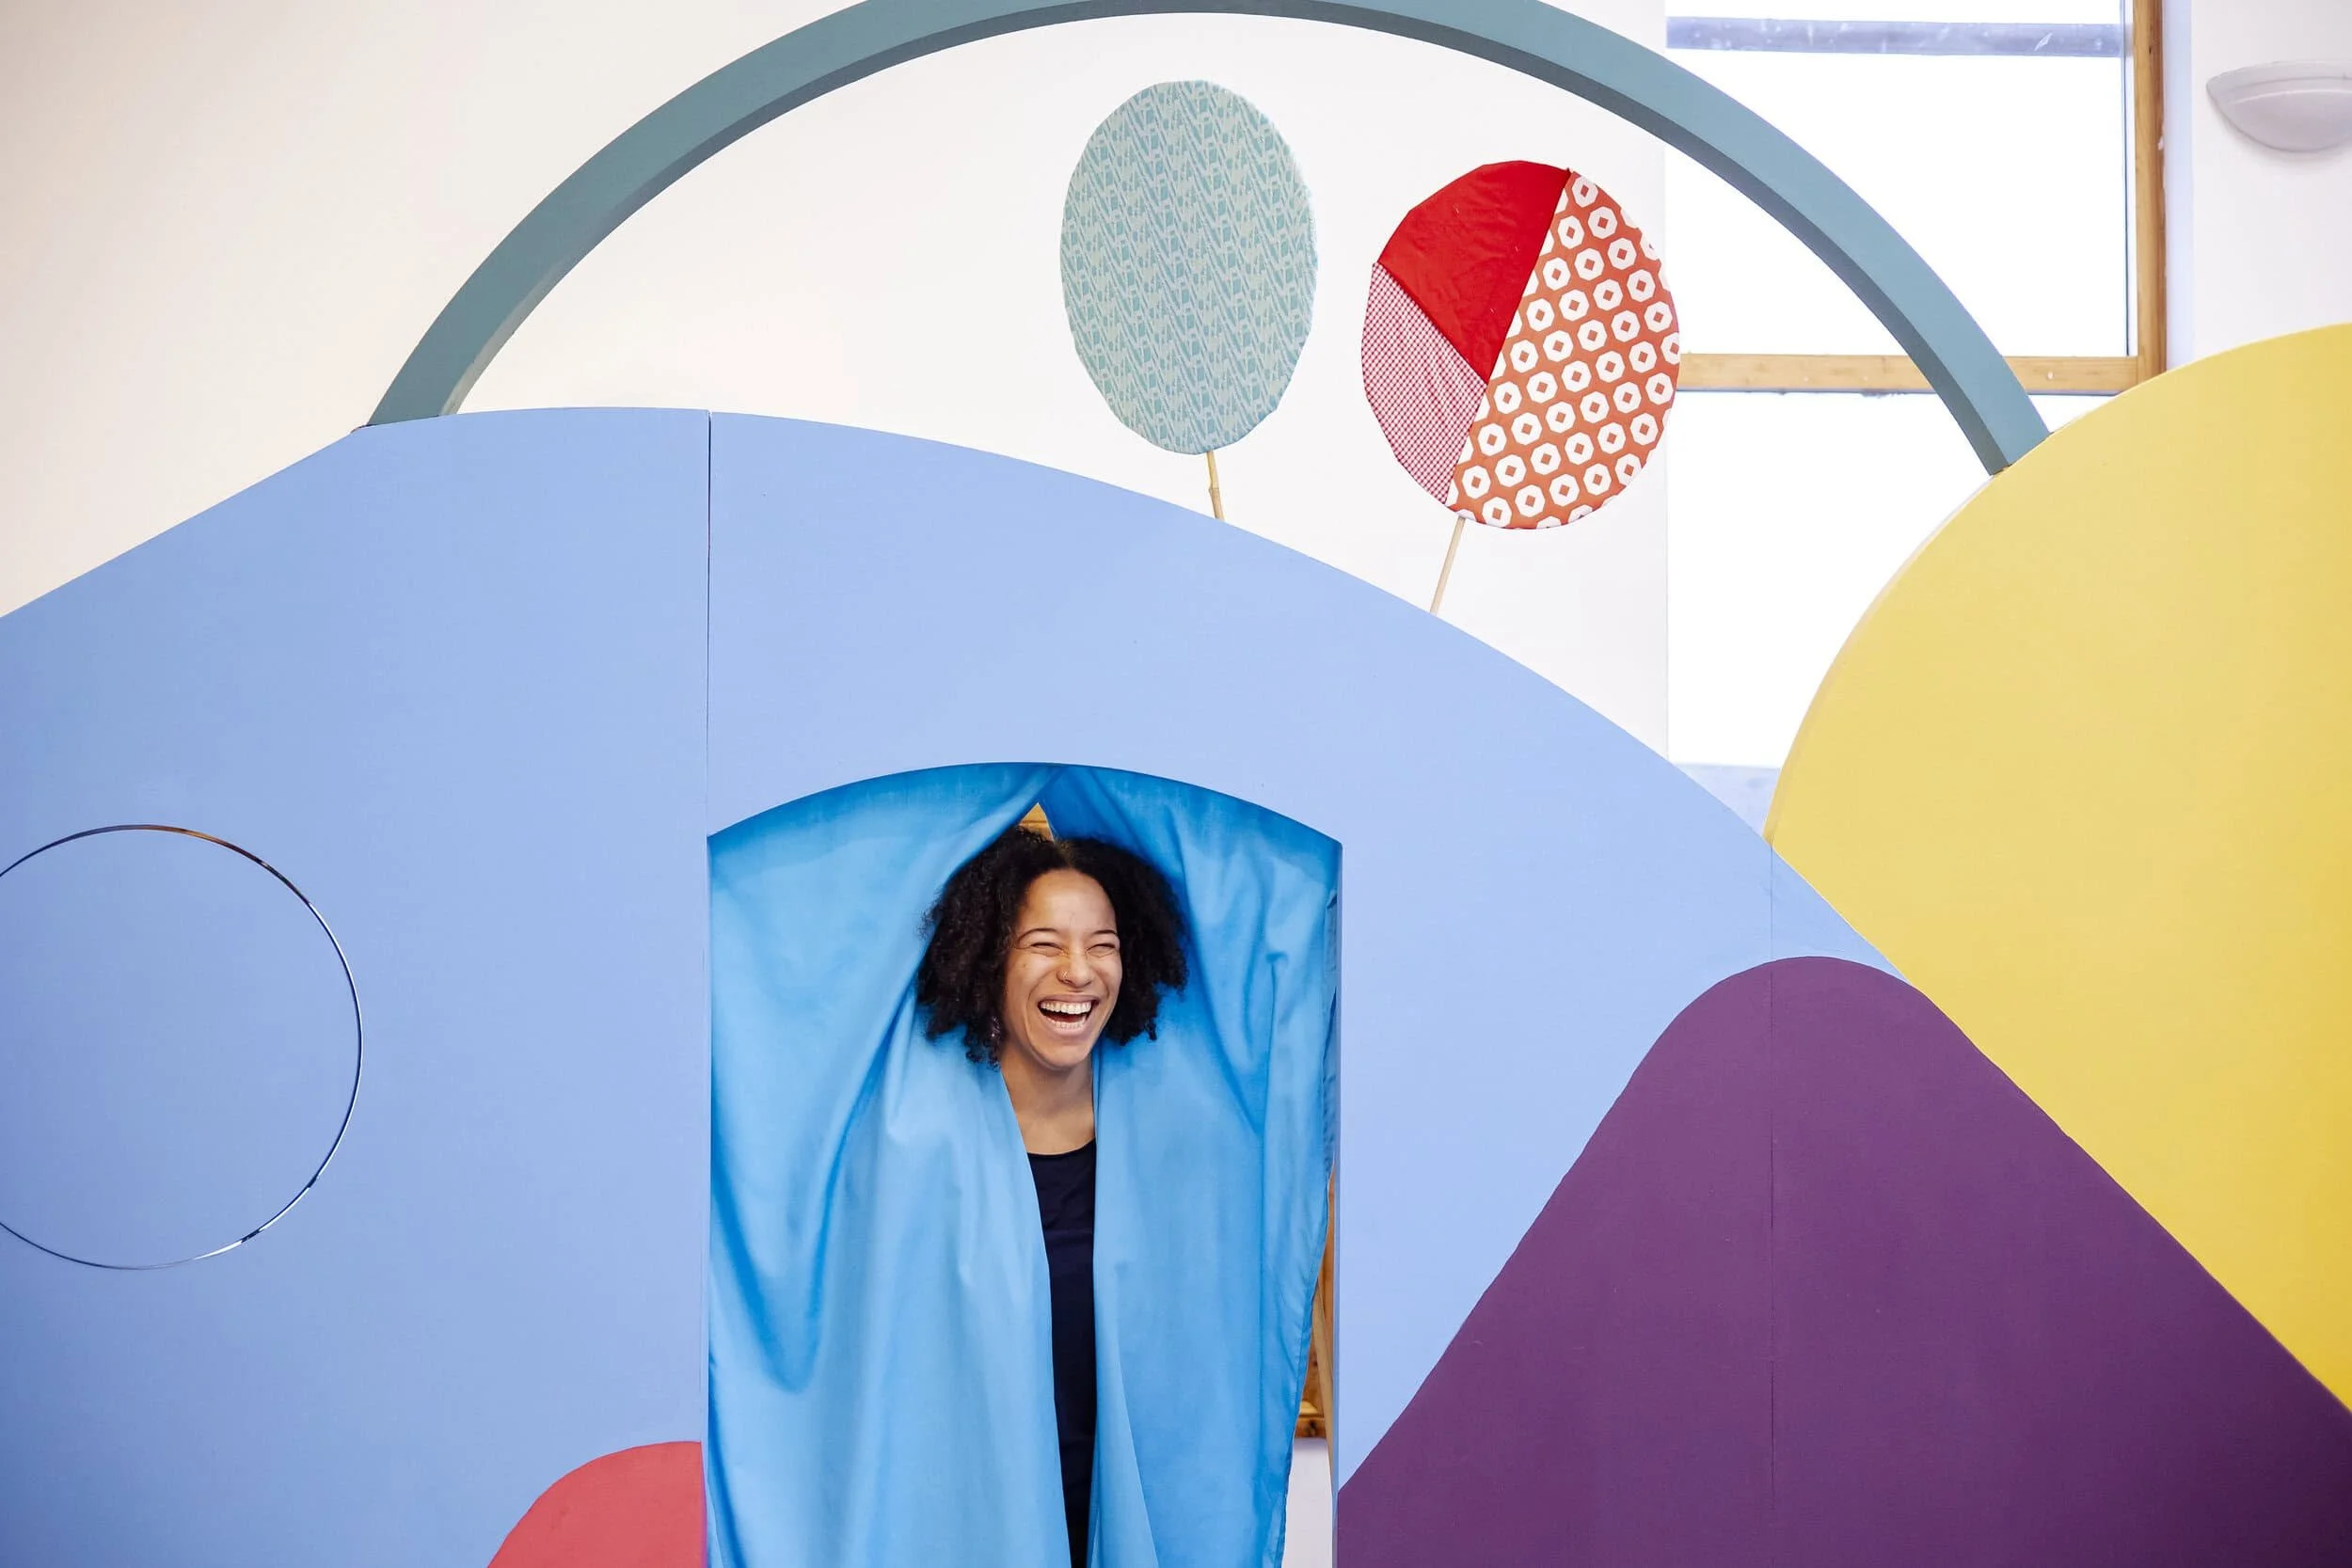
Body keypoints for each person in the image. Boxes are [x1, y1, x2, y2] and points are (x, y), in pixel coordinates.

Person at [914, 822, 1190, 1568]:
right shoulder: (921, 1148)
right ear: (987, 959)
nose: (1079, 971)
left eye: (1103, 943)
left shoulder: (1164, 1151)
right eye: (1044, 943)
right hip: (964, 1533)